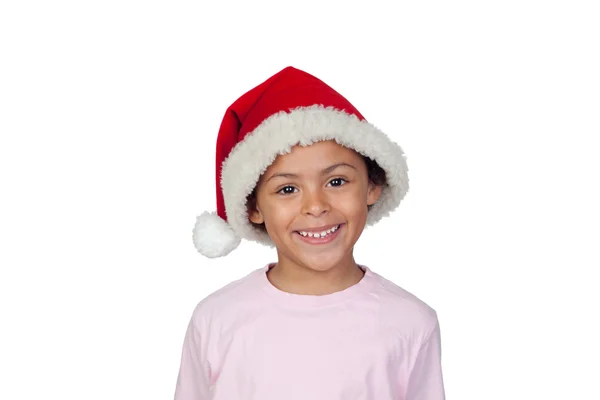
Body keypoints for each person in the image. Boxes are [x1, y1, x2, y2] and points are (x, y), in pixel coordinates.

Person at [174, 66, 446, 399]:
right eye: (287, 189)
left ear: (372, 186)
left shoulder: (411, 323)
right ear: (253, 208)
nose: (315, 206)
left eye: (336, 181)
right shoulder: (216, 319)